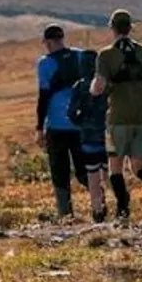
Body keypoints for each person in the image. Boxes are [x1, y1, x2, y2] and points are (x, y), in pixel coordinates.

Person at [92, 10, 142, 222]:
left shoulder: (105, 55)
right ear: (130, 27)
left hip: (119, 117)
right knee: (138, 166)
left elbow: (98, 87)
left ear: (112, 28)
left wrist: (96, 91)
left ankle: (123, 209)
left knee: (115, 167)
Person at [35, 25, 95, 218]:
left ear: (49, 42)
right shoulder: (82, 56)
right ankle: (100, 206)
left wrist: (39, 128)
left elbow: (43, 98)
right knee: (84, 170)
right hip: (81, 125)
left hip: (57, 126)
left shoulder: (45, 63)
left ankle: (65, 214)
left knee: (60, 173)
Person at [67, 68, 112, 224]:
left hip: (88, 139)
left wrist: (82, 125)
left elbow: (71, 113)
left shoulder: (79, 86)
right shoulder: (107, 83)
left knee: (93, 177)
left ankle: (97, 210)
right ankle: (119, 206)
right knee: (111, 174)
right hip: (108, 136)